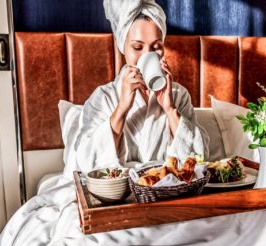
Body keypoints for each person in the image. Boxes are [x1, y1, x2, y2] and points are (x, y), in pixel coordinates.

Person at [74, 0, 209, 173]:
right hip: (121, 194)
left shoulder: (178, 95)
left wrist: (170, 109)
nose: (147, 55)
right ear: (123, 47)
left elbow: (198, 158)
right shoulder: (104, 97)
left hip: (166, 190)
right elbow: (86, 163)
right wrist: (122, 107)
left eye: (156, 47)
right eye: (137, 47)